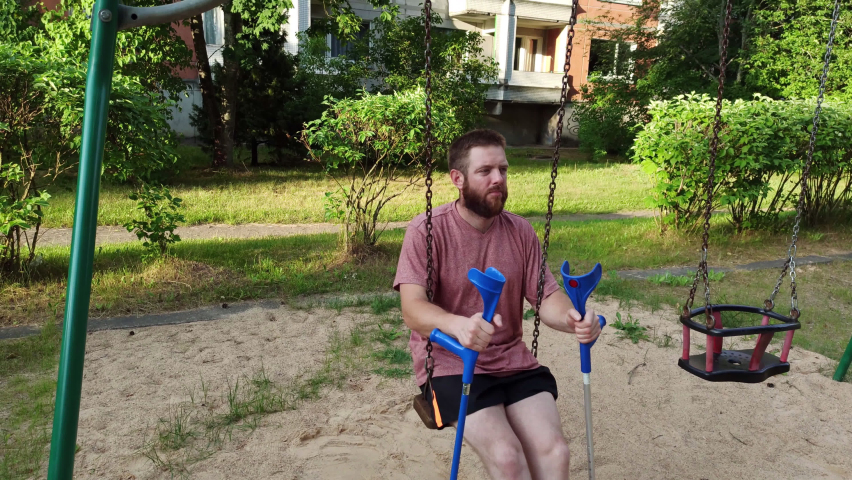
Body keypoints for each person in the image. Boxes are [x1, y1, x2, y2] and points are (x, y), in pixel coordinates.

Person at [393, 129, 602, 480]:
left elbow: (546, 296)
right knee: (507, 457)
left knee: (556, 453)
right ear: (457, 179)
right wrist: (458, 325)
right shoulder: (426, 231)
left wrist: (572, 318)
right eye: (485, 171)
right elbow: (412, 308)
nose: (498, 179)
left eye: (503, 170)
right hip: (453, 362)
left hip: (513, 361)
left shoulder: (520, 232)